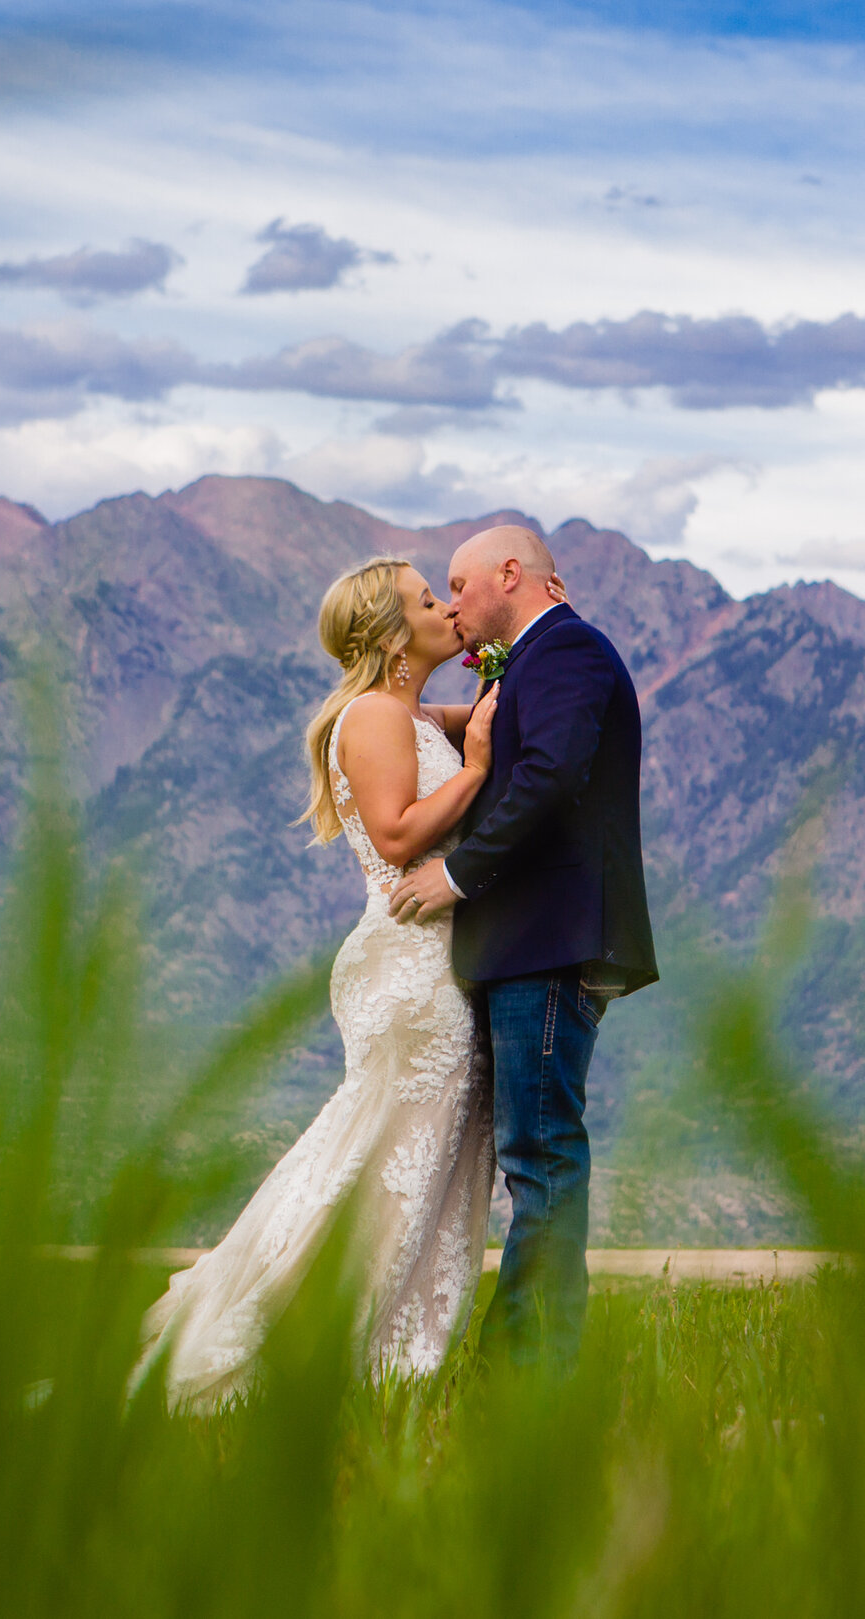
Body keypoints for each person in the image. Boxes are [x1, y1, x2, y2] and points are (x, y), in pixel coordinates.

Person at [133, 556, 501, 1411]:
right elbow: (400, 834)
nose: (445, 606)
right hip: (416, 970)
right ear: (387, 635)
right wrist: (476, 773)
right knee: (384, 1159)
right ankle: (338, 1346)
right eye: (425, 599)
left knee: (406, 1157)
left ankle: (386, 1345)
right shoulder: (374, 714)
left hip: (436, 962)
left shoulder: (406, 712)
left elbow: (489, 722)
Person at [387, 525, 657, 1370]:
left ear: (513, 574)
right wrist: (428, 717)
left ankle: (525, 1369)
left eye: (461, 585)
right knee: (533, 1158)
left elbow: (550, 773)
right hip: (529, 945)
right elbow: (523, 742)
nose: (454, 603)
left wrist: (455, 875)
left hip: (549, 942)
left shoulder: (568, 648)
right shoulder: (537, 660)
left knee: (540, 1159)